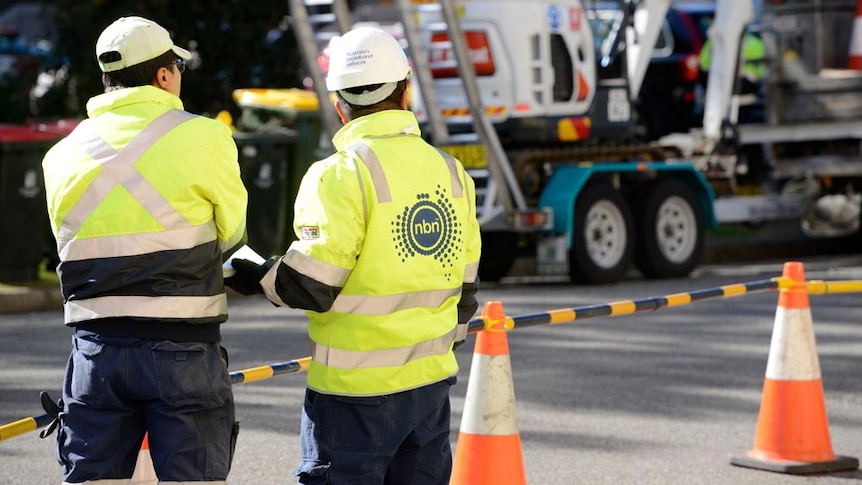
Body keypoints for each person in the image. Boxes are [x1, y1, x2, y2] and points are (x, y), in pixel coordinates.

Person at [226, 26, 482, 484]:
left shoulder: (339, 174)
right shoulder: (453, 173)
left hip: (352, 396)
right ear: (406, 89)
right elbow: (465, 290)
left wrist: (255, 275)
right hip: (429, 390)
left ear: (339, 104)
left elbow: (312, 284)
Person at [41, 16, 247, 484]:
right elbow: (232, 237)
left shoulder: (60, 155)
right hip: (184, 351)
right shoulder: (205, 136)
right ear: (163, 75)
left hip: (96, 353)